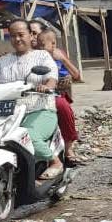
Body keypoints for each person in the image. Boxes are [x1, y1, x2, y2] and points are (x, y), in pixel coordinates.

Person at [0, 19, 64, 180]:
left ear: (30, 36)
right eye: (13, 36)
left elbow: (52, 77)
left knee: (28, 136)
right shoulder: (3, 61)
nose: (17, 39)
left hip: (40, 109)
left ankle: (55, 162)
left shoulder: (41, 56)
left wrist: (46, 86)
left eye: (21, 34)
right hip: (10, 112)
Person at [37, 28, 83, 165]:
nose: (39, 47)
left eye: (42, 44)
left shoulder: (58, 55)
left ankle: (68, 149)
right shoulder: (33, 55)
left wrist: (63, 59)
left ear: (53, 44)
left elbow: (77, 76)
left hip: (53, 93)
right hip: (33, 94)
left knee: (63, 107)